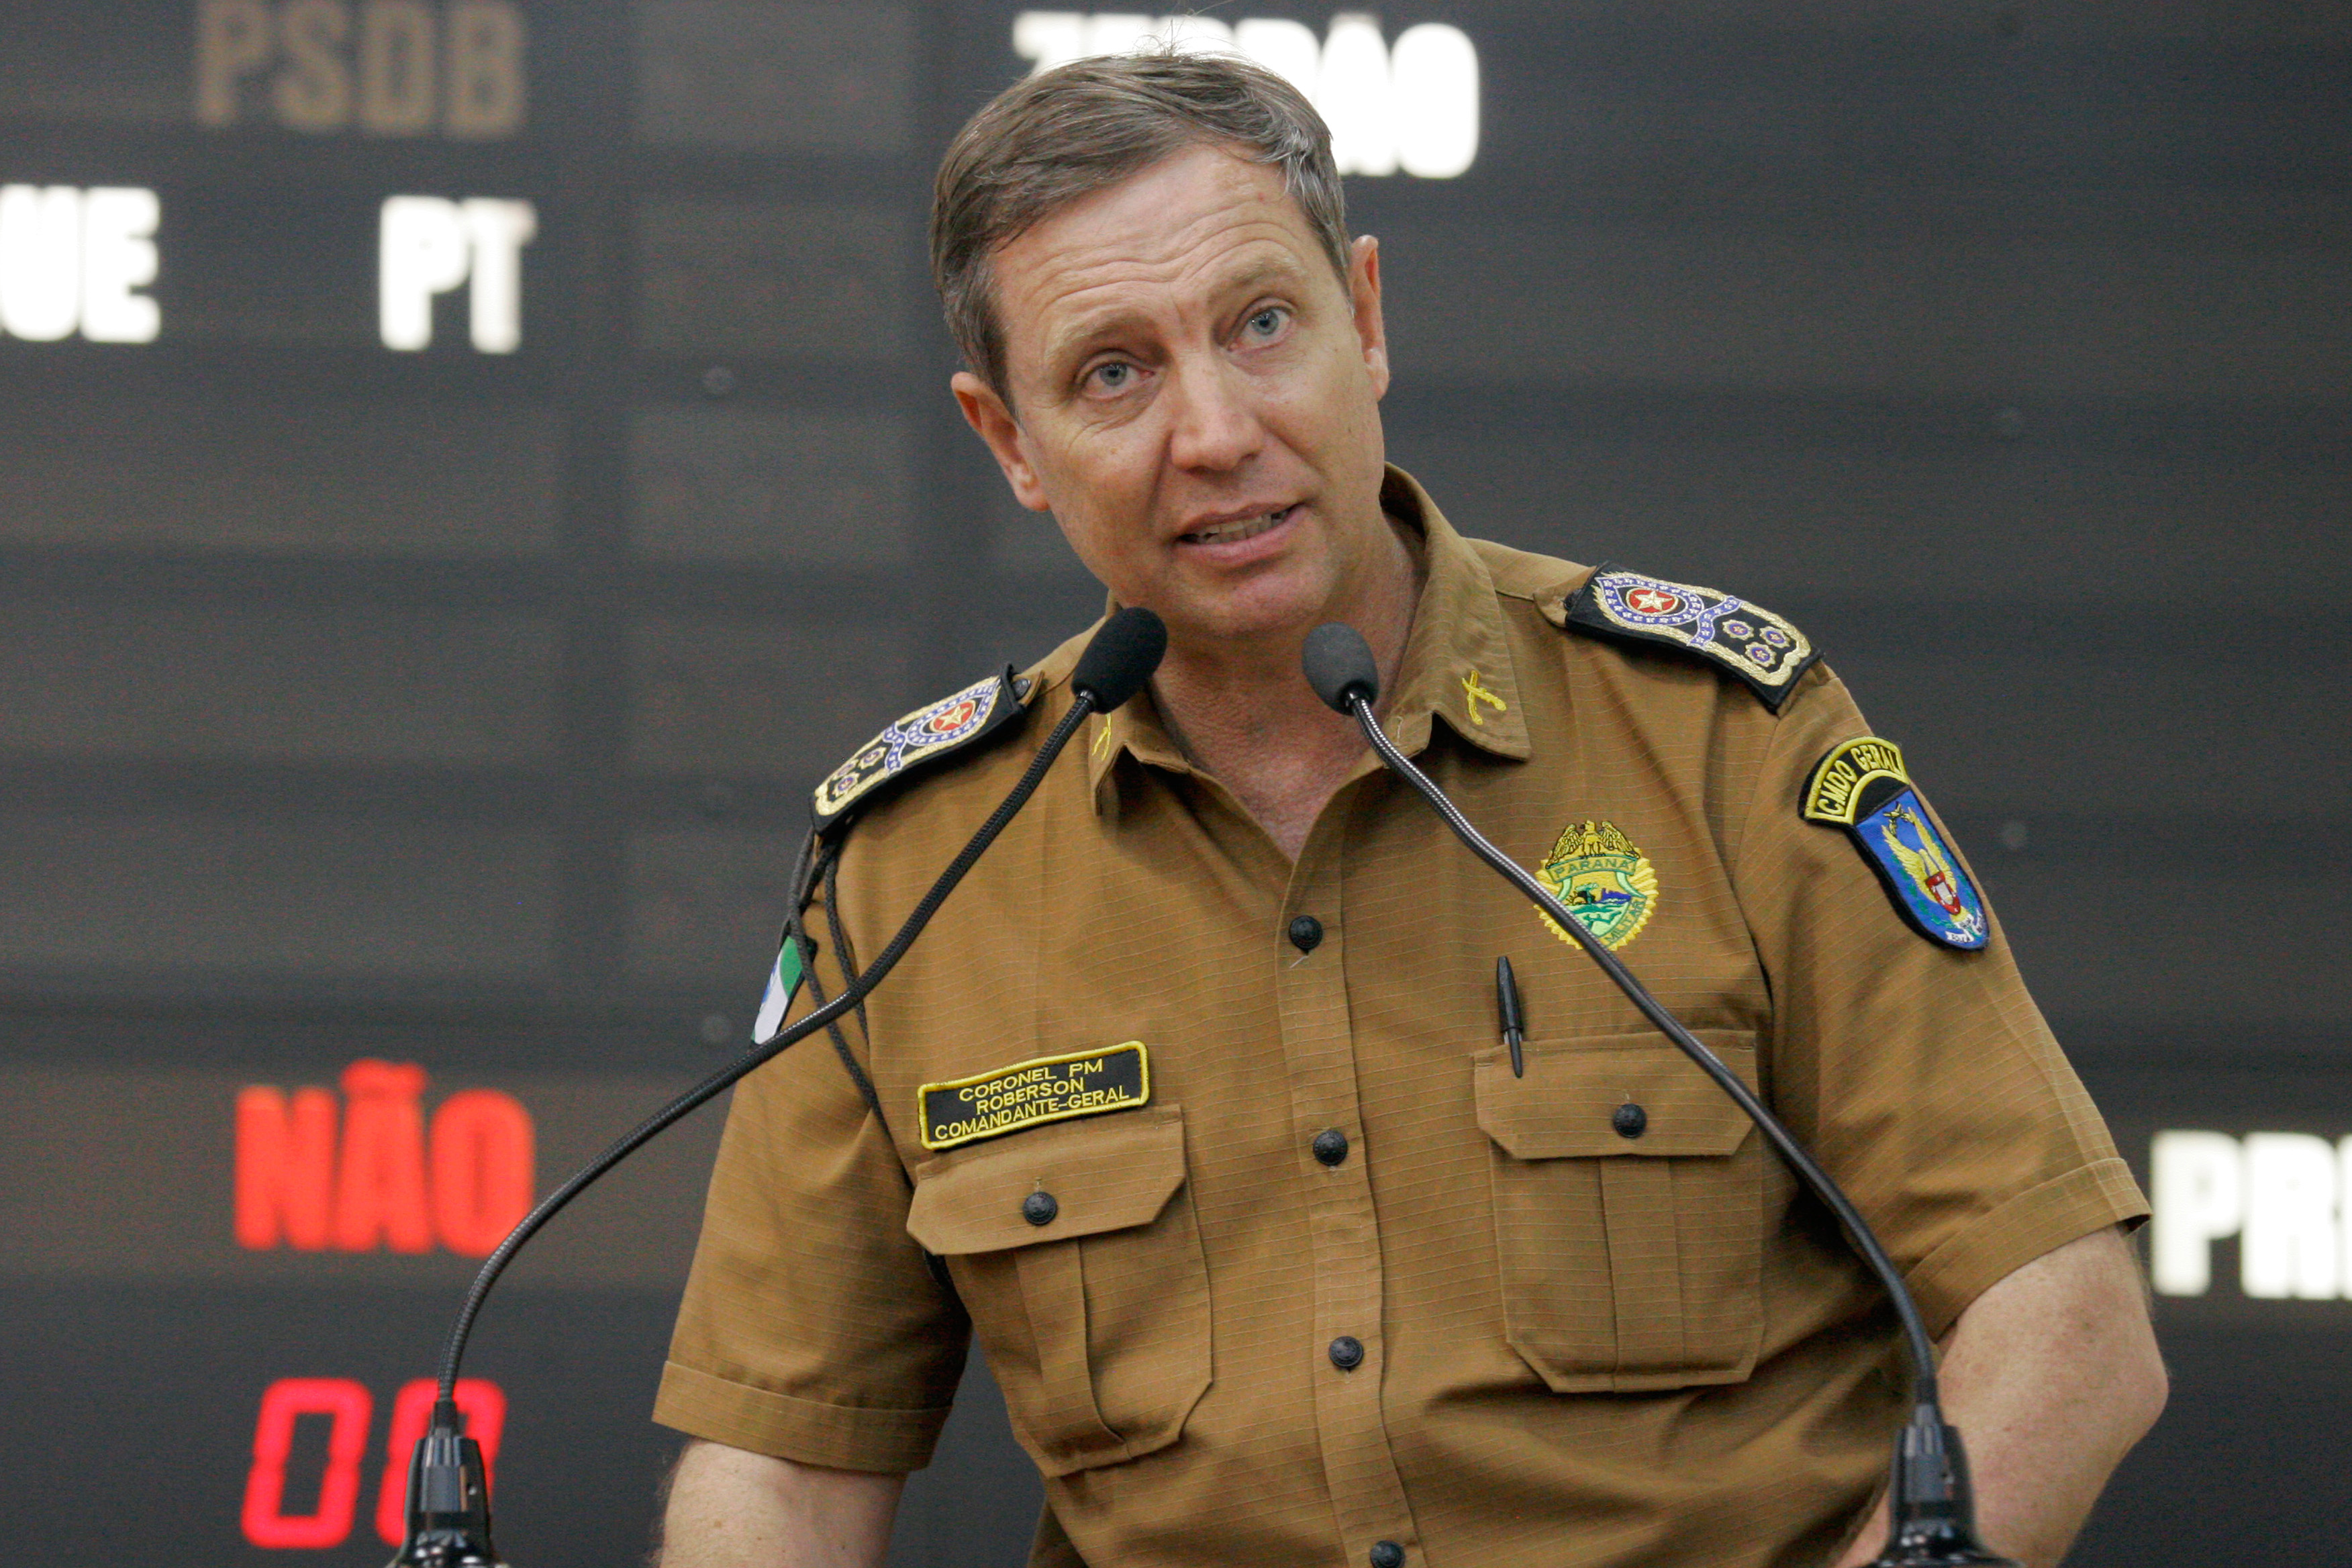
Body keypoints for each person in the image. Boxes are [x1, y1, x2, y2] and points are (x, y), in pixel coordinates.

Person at [650, 51, 2165, 1568]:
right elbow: (777, 1478)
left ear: (1364, 320)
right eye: (1114, 373)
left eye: (1261, 325)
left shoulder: (1714, 740)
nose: (1215, 432)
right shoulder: (913, 865)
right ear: (1009, 442)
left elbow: (2066, 1321)